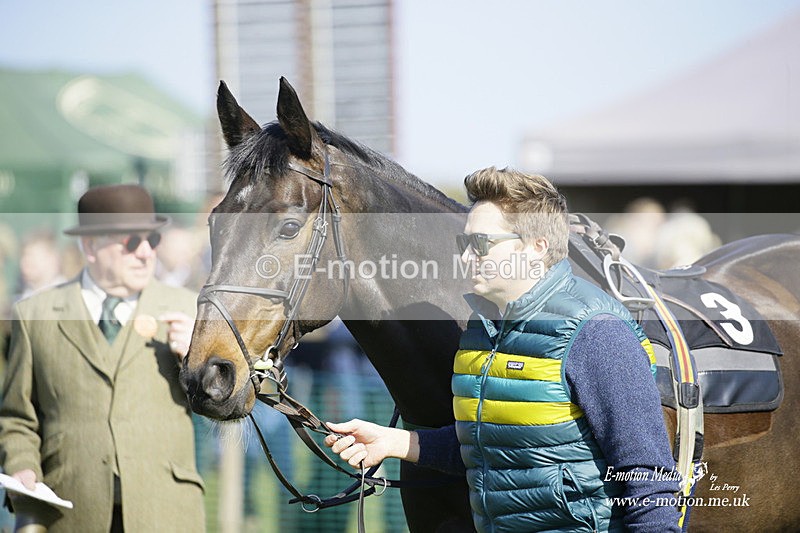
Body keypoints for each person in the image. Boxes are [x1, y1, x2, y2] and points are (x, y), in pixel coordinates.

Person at [325, 167, 681, 532]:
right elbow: (491, 447)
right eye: (464, 244)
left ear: (536, 247)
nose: (466, 257)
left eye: (481, 244)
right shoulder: (482, 330)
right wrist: (393, 441)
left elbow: (649, 480)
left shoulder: (597, 332)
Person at [0, 185, 205, 532]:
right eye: (131, 242)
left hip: (165, 513)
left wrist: (199, 360)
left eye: (152, 240)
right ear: (91, 246)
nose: (145, 253)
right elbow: (17, 418)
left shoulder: (190, 309)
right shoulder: (35, 316)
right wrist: (22, 467)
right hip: (69, 512)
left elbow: (228, 406)